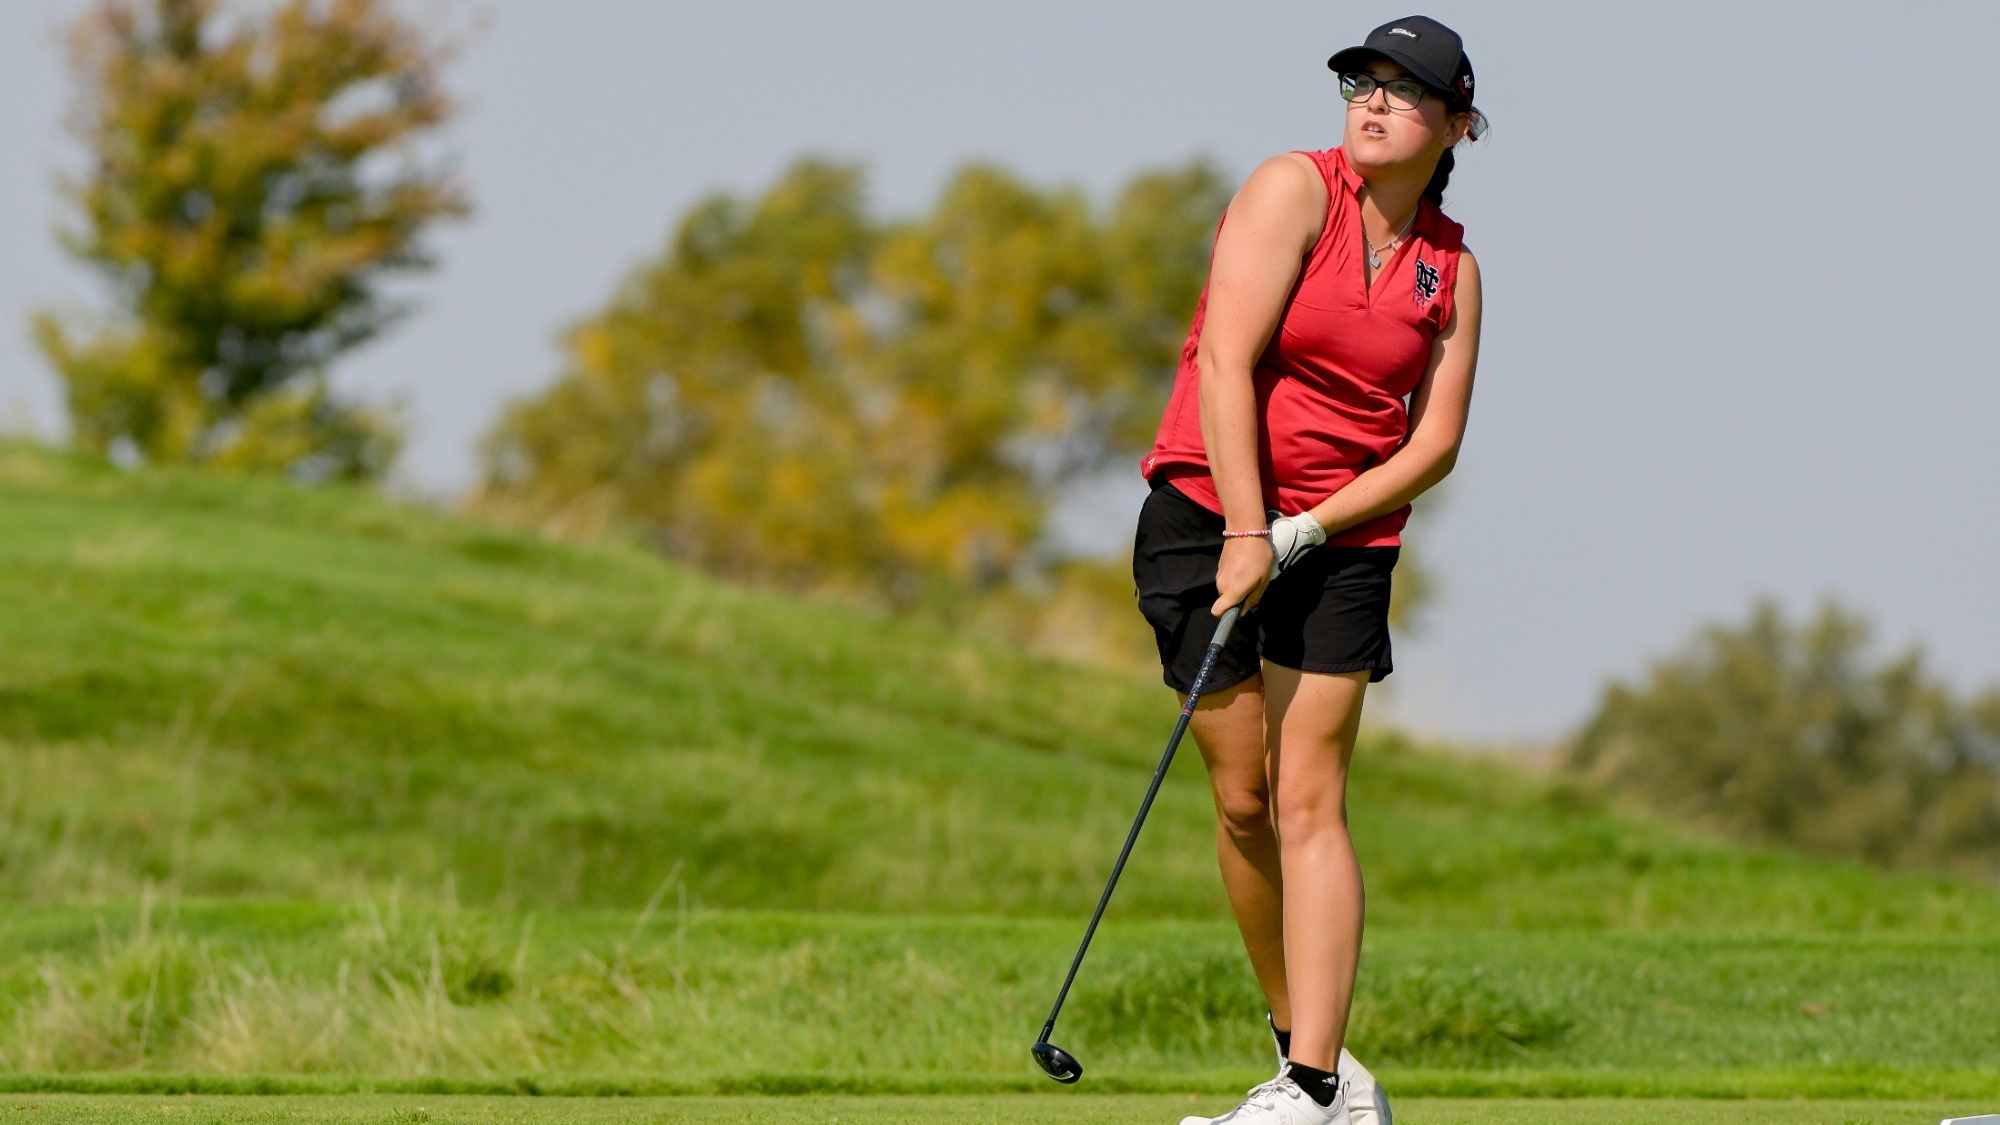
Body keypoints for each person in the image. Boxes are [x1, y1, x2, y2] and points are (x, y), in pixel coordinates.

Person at [1131, 15, 1486, 1125]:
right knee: (1241, 801)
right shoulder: (1292, 190)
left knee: (1308, 800)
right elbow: (1226, 358)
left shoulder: (1453, 270)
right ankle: (1303, 1054)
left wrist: (1308, 527)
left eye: (1404, 91)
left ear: (1456, 126)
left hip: (1340, 545)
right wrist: (1247, 527)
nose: (1373, 102)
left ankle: (1312, 1083)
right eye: (1359, 82)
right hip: (1203, 511)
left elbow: (1431, 446)